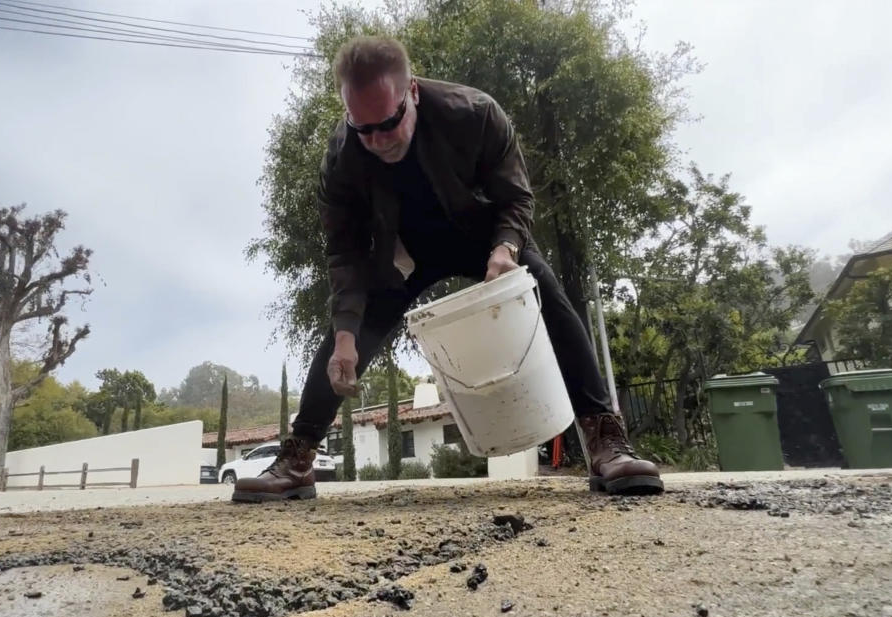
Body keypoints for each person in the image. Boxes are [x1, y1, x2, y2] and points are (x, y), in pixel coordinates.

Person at [232, 36, 663, 503]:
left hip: (484, 235)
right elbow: (345, 251)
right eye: (363, 128)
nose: (377, 141)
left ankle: (607, 442)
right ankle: (297, 458)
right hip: (403, 253)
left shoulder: (475, 114)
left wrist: (505, 249)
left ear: (412, 91)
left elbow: (517, 197)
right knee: (345, 339)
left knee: (549, 297)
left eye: (389, 122)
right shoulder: (342, 159)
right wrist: (344, 333)